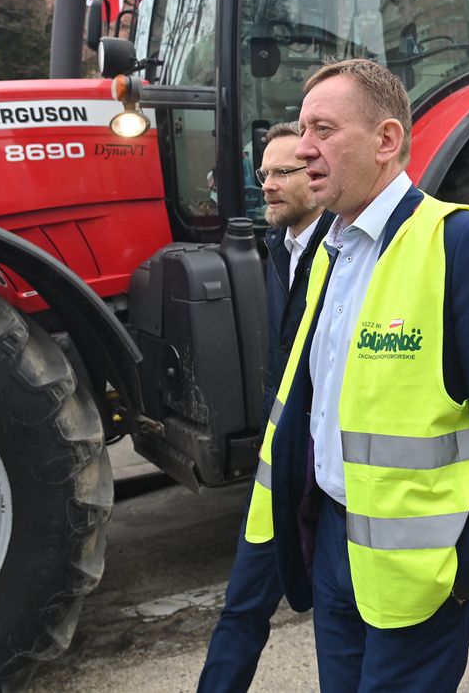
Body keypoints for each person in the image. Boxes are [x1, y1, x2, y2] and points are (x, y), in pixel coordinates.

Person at [245, 59, 469, 691]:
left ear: (386, 141)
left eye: (323, 129)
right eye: (302, 130)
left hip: (424, 572)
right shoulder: (332, 250)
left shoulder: (460, 244)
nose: (303, 149)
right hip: (332, 541)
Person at [198, 122, 331, 692]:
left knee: (337, 619)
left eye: (283, 173)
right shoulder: (277, 247)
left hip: (329, 470)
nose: (268, 187)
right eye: (263, 175)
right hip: (280, 466)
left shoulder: (348, 250)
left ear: (317, 176)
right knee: (242, 606)